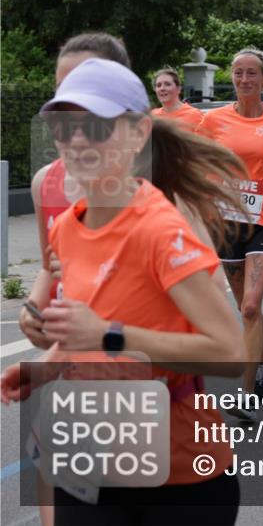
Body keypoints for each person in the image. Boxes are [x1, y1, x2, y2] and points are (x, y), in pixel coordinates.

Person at [6, 58, 245, 524]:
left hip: (176, 479)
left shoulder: (160, 230)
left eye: (96, 127)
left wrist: (110, 335)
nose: (76, 140)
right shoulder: (70, 227)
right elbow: (86, 333)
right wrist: (46, 368)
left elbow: (229, 353)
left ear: (137, 134)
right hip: (88, 461)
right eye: (64, 126)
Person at [22, 31, 131, 526]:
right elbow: (50, 266)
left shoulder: (155, 185)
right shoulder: (47, 180)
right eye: (60, 89)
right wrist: (33, 308)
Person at [197, 48, 263, 420]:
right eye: (238, 73)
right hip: (225, 220)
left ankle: (247, 392)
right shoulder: (212, 121)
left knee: (252, 306)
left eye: (251, 74)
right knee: (245, 309)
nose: (243, 80)